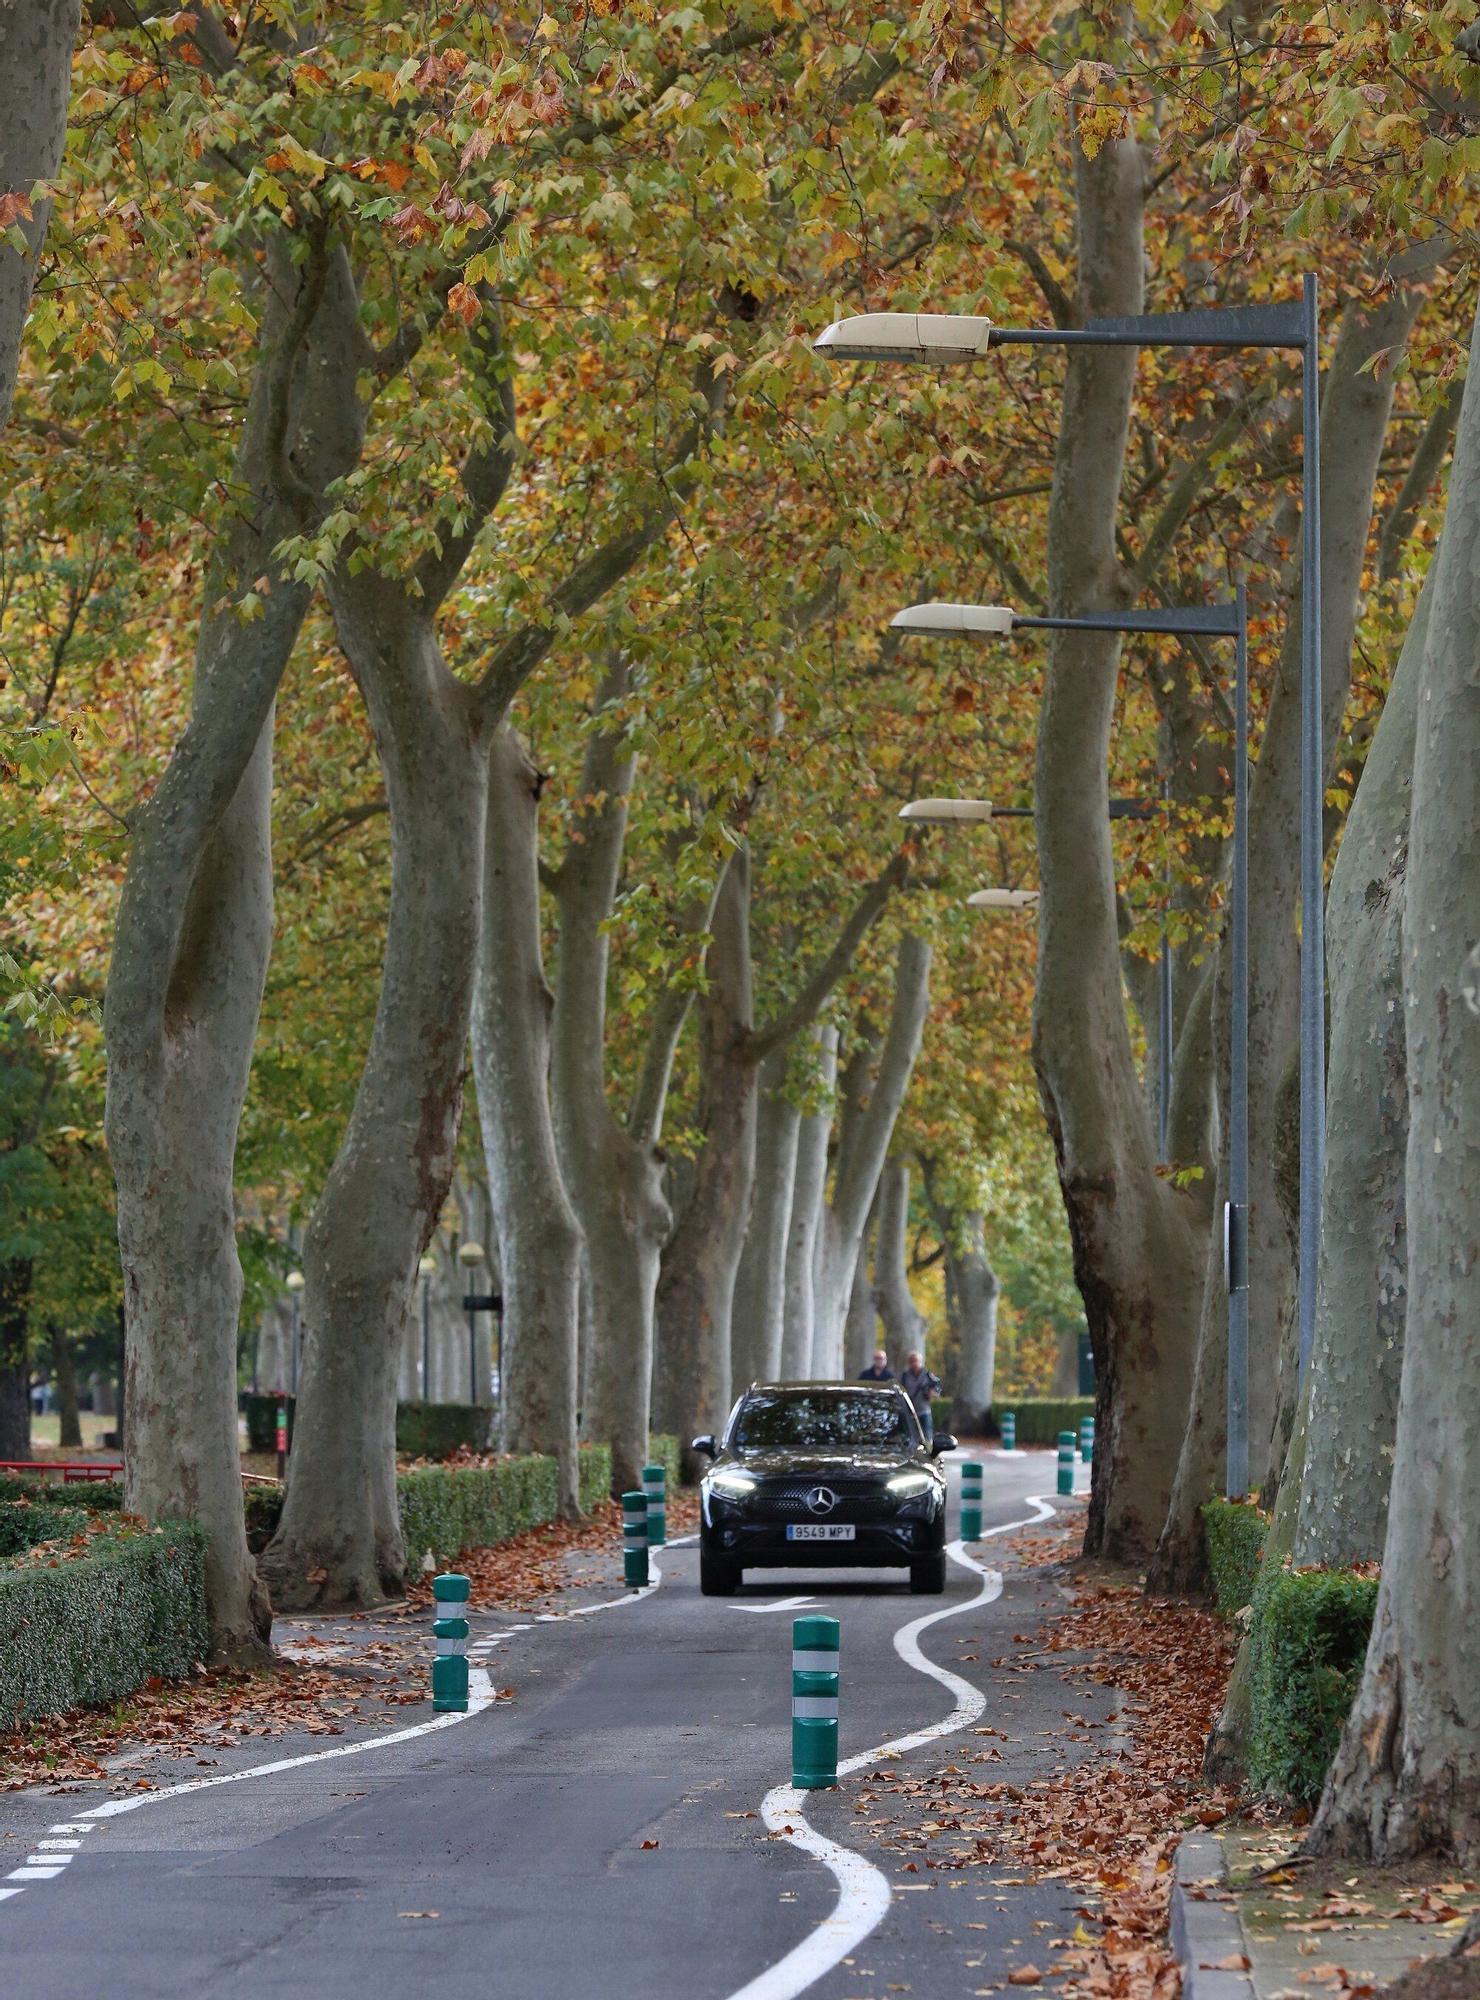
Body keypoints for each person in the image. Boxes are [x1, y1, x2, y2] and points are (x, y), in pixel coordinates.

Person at [899, 1349, 941, 1441]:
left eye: (916, 1361)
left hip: (924, 1410)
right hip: (909, 1411)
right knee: (909, 1436)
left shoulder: (928, 1375)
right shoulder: (905, 1376)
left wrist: (932, 1393)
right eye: (912, 1361)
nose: (914, 1363)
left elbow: (937, 1390)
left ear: (921, 1361)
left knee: (927, 1435)